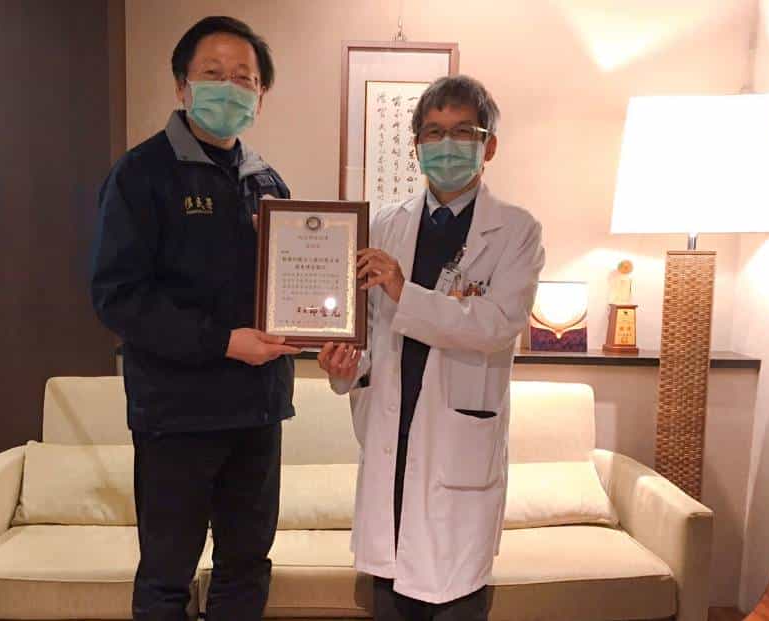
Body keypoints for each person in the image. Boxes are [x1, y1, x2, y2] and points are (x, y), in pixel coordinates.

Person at [90, 16, 300, 621]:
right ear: (183, 85)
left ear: (261, 94)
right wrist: (222, 342)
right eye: (213, 73)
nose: (229, 88)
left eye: (244, 78)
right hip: (177, 414)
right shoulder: (141, 174)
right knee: (166, 576)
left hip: (258, 410)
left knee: (246, 566)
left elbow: (294, 288)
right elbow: (118, 296)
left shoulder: (268, 182)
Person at [318, 75, 545, 621]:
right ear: (416, 146)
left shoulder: (516, 231)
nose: (447, 145)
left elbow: (496, 325)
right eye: (434, 132)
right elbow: (369, 331)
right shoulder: (384, 224)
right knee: (390, 598)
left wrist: (405, 289)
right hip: (390, 436)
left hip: (456, 441)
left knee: (454, 596)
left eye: (463, 131)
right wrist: (345, 367)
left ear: (489, 145)